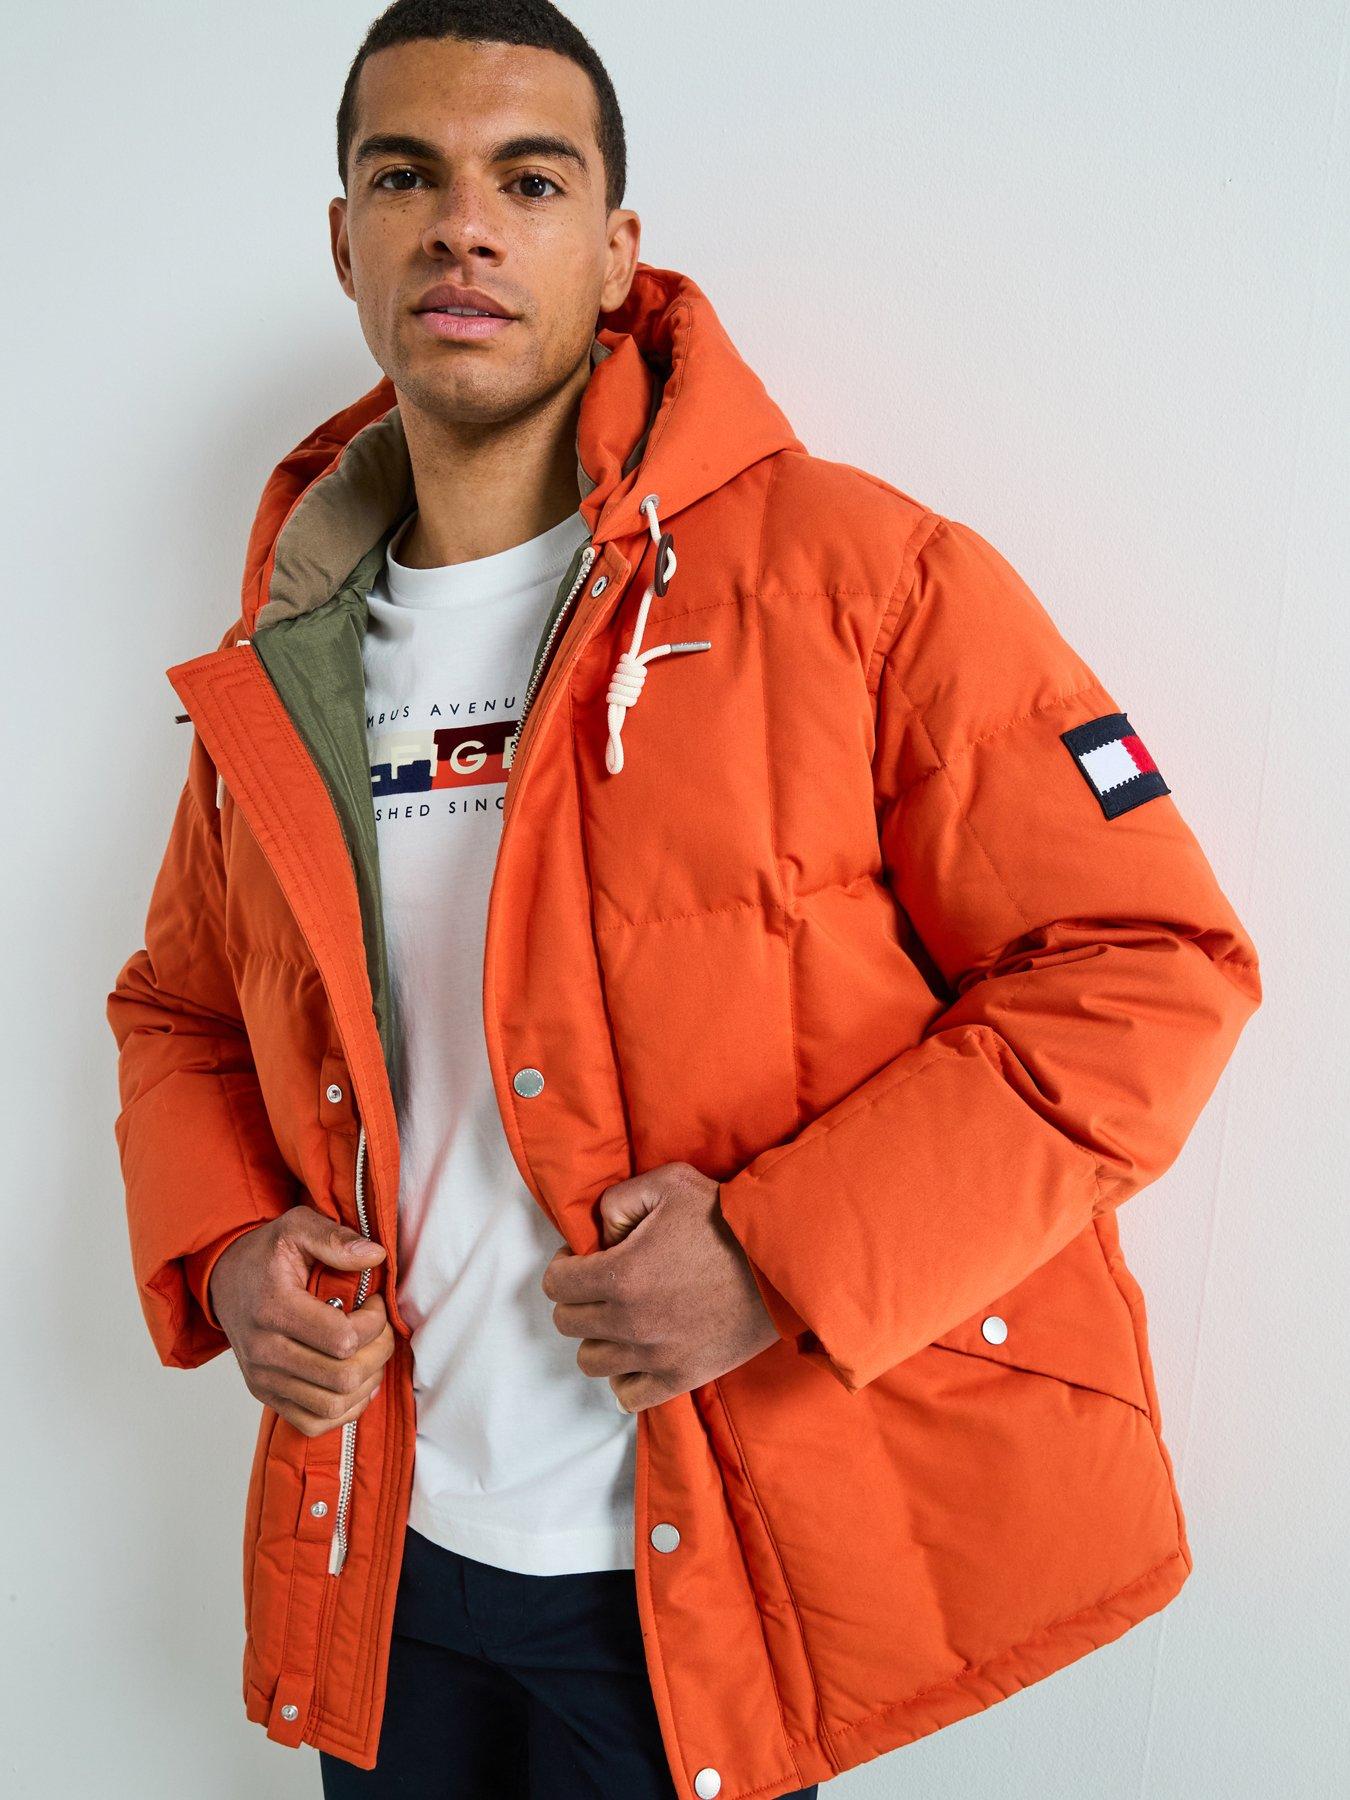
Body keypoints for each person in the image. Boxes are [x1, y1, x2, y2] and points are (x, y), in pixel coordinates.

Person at [105, 3, 1262, 1797]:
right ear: (344, 239)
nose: (460, 227)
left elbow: (1147, 968)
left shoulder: (858, 576)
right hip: (382, 1555)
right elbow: (179, 1006)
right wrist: (231, 1250)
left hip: (706, 1578)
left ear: (615, 247)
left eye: (528, 181)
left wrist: (774, 1257)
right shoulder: (287, 663)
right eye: (404, 177)